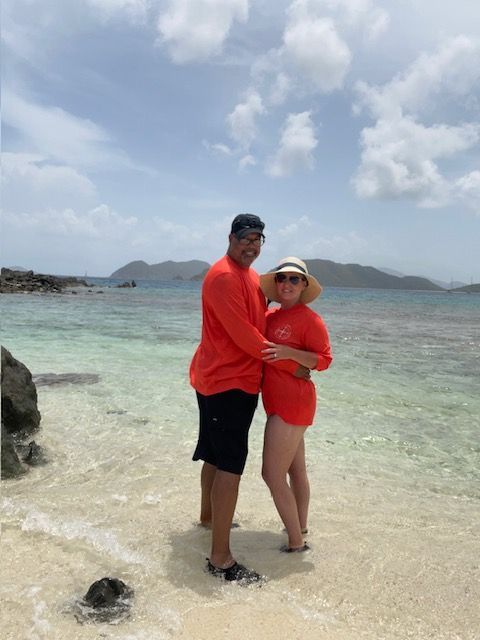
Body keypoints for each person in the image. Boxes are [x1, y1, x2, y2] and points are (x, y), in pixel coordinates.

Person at [190, 216, 309, 583]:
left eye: (258, 240)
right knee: (230, 465)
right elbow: (246, 337)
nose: (252, 245)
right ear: (231, 238)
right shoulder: (224, 276)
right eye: (246, 238)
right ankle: (221, 559)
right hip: (228, 382)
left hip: (217, 376)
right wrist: (292, 364)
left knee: (214, 455)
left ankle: (208, 520)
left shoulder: (249, 277)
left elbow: (264, 318)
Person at [259, 257, 332, 552]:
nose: (286, 283)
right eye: (281, 278)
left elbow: (324, 361)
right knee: (296, 470)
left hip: (294, 403)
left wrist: (290, 353)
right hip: (275, 401)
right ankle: (300, 526)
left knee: (271, 474)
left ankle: (296, 543)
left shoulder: (311, 320)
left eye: (294, 279)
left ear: (303, 285)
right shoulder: (269, 316)